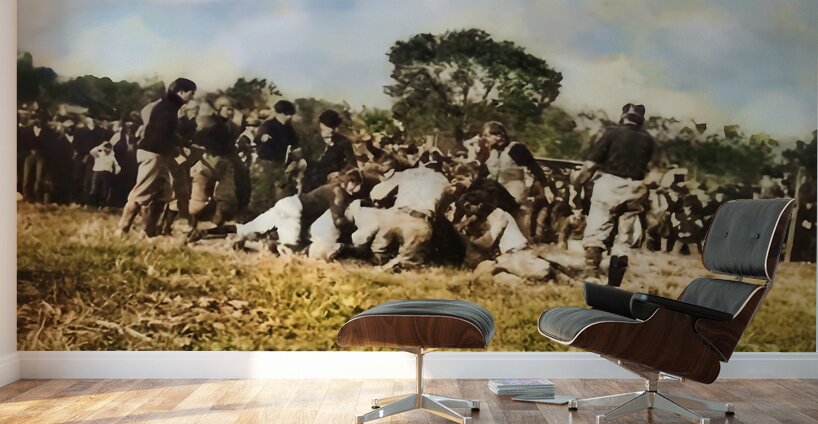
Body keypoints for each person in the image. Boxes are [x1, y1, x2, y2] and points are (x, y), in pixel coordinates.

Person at [578, 103, 655, 286]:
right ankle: (614, 284)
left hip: (610, 185)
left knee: (597, 230)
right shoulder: (648, 140)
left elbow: (590, 165)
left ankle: (591, 275)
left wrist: (579, 183)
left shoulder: (612, 133)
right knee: (624, 239)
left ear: (623, 116)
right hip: (635, 189)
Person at [117, 77, 196, 237]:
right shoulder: (168, 109)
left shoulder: (166, 106)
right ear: (181, 92)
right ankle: (121, 230)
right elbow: (160, 136)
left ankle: (149, 233)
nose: (192, 97)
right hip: (153, 154)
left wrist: (179, 144)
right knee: (141, 193)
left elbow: (167, 134)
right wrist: (177, 152)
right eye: (191, 93)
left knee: (162, 195)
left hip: (158, 154)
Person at [479, 121, 554, 239]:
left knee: (505, 214)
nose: (484, 139)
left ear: (499, 135)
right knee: (510, 218)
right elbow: (483, 172)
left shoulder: (516, 149)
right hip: (497, 189)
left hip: (514, 189)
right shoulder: (491, 152)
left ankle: (487, 241)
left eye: (487, 136)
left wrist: (546, 187)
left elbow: (534, 167)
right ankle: (524, 241)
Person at [187, 96, 239, 232]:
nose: (231, 112)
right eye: (228, 109)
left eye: (232, 110)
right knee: (199, 197)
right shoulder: (208, 122)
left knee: (227, 197)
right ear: (219, 108)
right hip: (207, 160)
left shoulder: (231, 126)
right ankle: (192, 227)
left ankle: (214, 227)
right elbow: (196, 140)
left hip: (225, 162)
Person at [250, 100, 298, 212]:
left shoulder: (288, 128)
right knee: (261, 193)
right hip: (264, 164)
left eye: (290, 114)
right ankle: (255, 215)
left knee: (279, 194)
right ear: (279, 113)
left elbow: (295, 143)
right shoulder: (268, 125)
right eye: (287, 114)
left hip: (279, 164)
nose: (289, 117)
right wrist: (262, 138)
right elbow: (257, 138)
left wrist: (294, 158)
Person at [301, 109, 357, 193]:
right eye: (330, 126)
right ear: (321, 125)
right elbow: (302, 165)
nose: (333, 130)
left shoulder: (343, 142)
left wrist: (341, 174)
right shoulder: (309, 141)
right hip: (309, 187)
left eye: (335, 126)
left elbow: (352, 165)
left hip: (334, 187)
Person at [88, 142, 121, 207]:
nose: (107, 150)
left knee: (104, 190)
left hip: (106, 174)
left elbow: (117, 166)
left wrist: (116, 172)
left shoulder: (112, 157)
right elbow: (92, 151)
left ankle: (102, 205)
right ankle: (92, 204)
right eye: (106, 148)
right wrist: (101, 146)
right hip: (97, 173)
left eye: (109, 148)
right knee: (94, 189)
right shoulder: (99, 154)